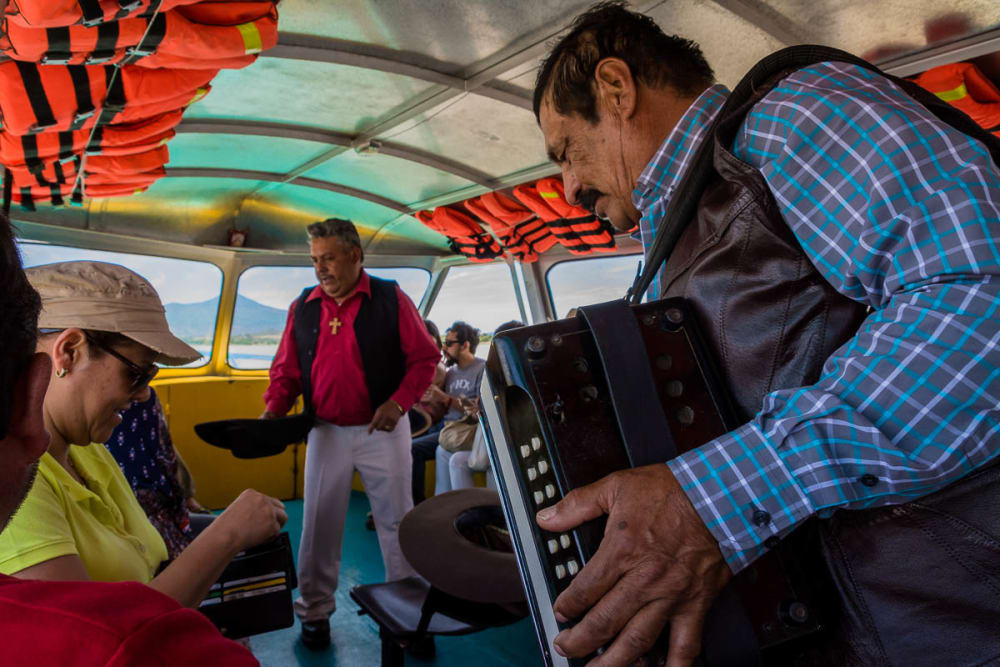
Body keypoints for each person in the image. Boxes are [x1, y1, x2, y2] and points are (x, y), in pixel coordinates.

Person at [530, 3, 1000, 666]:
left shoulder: (790, 117)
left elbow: (980, 294)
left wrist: (712, 498)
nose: (568, 184)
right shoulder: (672, 241)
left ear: (615, 86)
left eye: (567, 151)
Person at [0, 215, 258, 664]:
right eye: (136, 373)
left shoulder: (91, 451)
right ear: (69, 351)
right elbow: (89, 641)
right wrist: (228, 533)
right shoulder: (19, 489)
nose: (143, 395)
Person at [261, 218, 439, 650]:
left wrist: (398, 403)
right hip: (325, 431)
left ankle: (411, 616)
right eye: (315, 260)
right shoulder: (303, 306)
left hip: (385, 428)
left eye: (329, 258)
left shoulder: (391, 299)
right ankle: (315, 612)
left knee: (398, 522)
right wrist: (272, 414)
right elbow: (286, 371)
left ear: (356, 256)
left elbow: (424, 358)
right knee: (318, 525)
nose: (320, 269)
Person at [105, 386, 205, 559]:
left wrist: (184, 495)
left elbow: (166, 452)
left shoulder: (150, 399)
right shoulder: (102, 415)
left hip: (164, 507)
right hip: (134, 516)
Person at [440, 320, 525, 492]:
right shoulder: (496, 375)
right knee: (451, 457)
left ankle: (488, 510)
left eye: (449, 344)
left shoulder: (488, 371)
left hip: (510, 443)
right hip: (490, 435)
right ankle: (459, 508)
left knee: (487, 465)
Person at [410, 321, 486, 503]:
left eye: (450, 343)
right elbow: (444, 405)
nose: (445, 347)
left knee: (414, 449)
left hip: (465, 430)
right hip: (445, 429)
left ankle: (416, 504)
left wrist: (445, 398)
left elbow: (478, 408)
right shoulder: (451, 372)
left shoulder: (482, 369)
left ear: (465, 345)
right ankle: (439, 505)